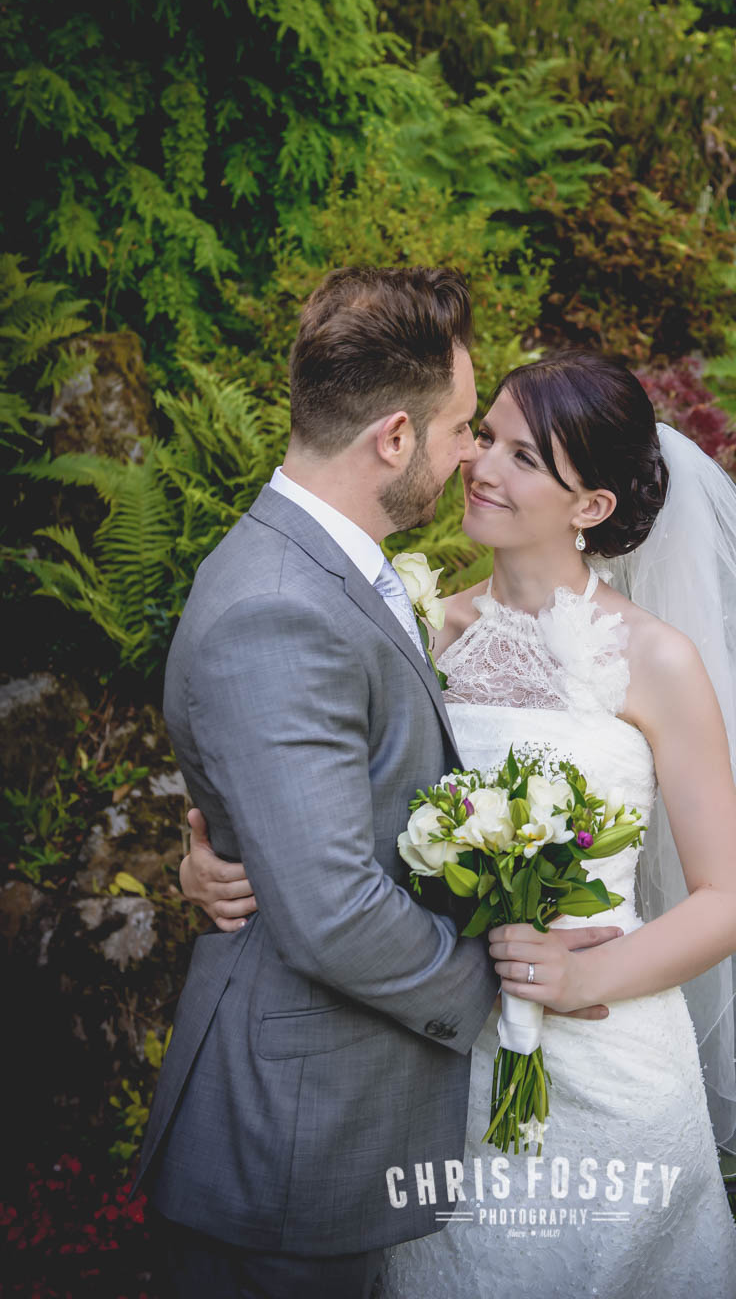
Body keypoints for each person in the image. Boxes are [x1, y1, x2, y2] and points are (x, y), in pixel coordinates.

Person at [182, 350, 736, 1299]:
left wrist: (578, 975)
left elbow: (728, 904)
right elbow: (310, 804)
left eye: (526, 458)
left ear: (591, 507)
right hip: (431, 1063)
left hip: (607, 1064)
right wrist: (208, 866)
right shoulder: (419, 627)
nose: (482, 466)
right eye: (485, 435)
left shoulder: (659, 662)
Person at [134, 269, 620, 1299]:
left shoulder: (336, 571)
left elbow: (327, 812)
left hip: (339, 1118)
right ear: (393, 438)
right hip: (290, 1141)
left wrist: (214, 853)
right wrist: (503, 979)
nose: (472, 457)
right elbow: (333, 911)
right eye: (459, 432)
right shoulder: (282, 605)